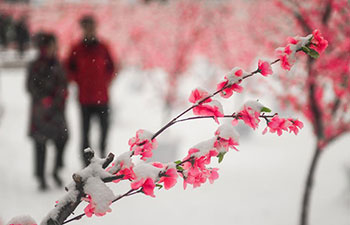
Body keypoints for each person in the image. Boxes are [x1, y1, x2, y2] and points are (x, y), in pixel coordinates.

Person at [66, 15, 117, 166]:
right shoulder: (76, 48)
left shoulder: (103, 47)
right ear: (82, 29)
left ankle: (103, 159)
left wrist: (105, 81)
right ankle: (86, 162)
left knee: (104, 130)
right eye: (86, 27)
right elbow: (69, 68)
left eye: (92, 27)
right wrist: (79, 80)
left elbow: (112, 67)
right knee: (85, 133)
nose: (89, 30)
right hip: (85, 99)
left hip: (102, 97)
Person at [27, 32, 68, 190]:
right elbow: (30, 86)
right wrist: (43, 99)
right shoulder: (35, 65)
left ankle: (56, 170)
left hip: (57, 109)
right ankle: (41, 176)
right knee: (40, 143)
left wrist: (58, 98)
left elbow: (63, 83)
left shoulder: (58, 63)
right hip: (40, 111)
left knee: (62, 138)